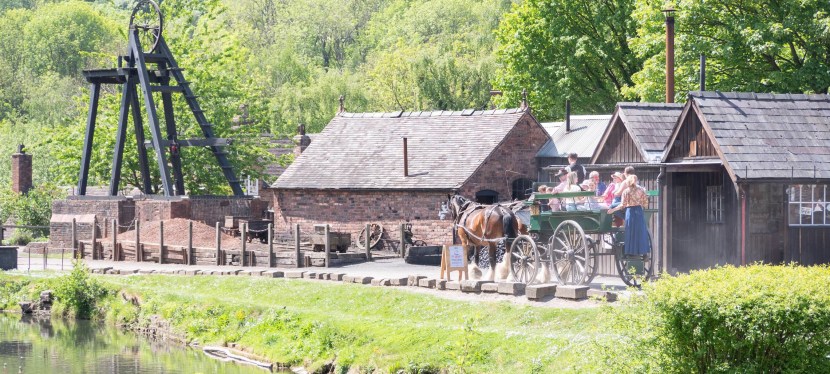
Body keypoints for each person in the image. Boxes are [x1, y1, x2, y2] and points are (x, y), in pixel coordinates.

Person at [608, 175, 650, 255]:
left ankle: (631, 252)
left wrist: (612, 210)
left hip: (630, 212)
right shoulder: (641, 190)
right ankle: (643, 252)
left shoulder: (626, 191)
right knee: (640, 232)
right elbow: (645, 204)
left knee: (631, 232)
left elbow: (622, 205)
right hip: (639, 212)